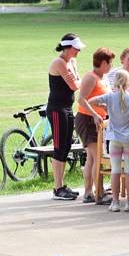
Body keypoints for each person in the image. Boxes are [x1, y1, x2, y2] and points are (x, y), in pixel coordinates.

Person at [89, 70, 129, 212]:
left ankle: (115, 202)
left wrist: (104, 108)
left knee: (115, 170)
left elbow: (91, 101)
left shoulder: (110, 97)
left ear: (114, 83)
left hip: (114, 139)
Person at [47, 33, 84, 200]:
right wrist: (78, 79)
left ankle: (62, 185)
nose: (78, 52)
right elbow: (75, 85)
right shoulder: (59, 63)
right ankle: (57, 187)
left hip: (68, 108)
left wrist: (78, 79)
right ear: (68, 48)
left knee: (67, 146)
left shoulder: (72, 62)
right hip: (57, 109)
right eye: (76, 48)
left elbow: (78, 80)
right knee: (59, 146)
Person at [76, 47, 114, 204]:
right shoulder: (91, 78)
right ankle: (99, 192)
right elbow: (81, 99)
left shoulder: (103, 78)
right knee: (98, 157)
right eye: (110, 63)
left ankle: (89, 192)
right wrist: (94, 114)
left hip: (99, 121)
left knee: (91, 159)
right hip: (87, 120)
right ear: (103, 63)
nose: (111, 66)